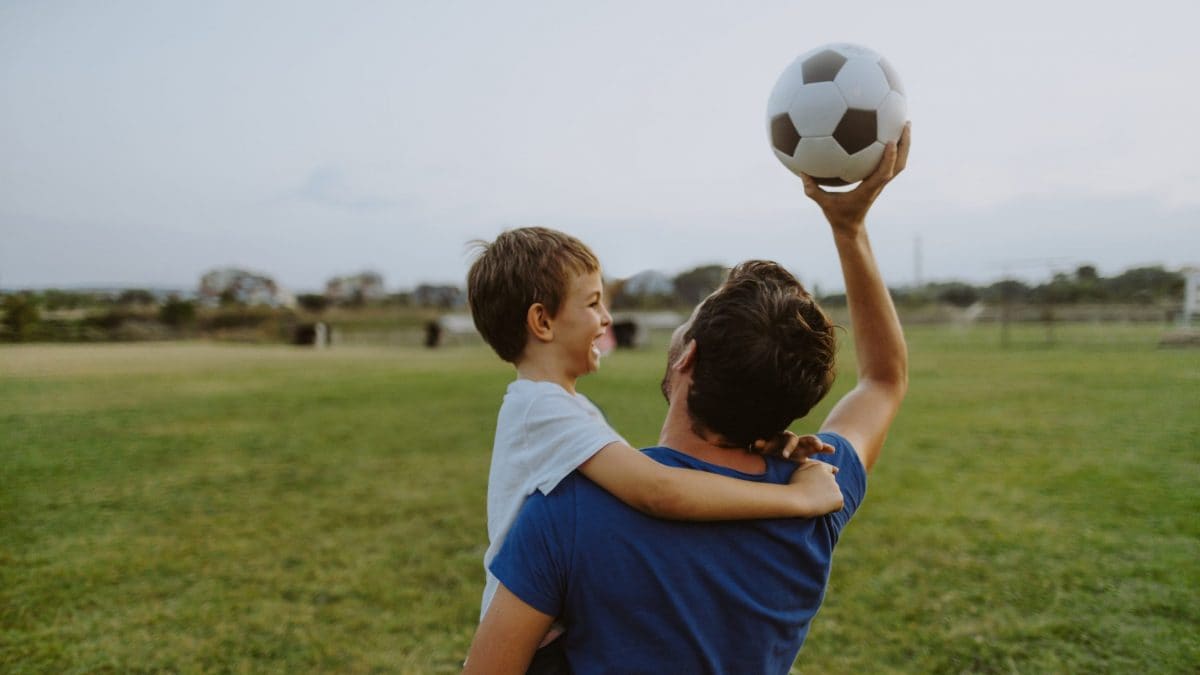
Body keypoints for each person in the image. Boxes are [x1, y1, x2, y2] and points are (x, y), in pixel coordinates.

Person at [463, 124, 912, 673]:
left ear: (686, 359)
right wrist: (850, 229)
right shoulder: (819, 484)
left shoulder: (565, 510)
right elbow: (884, 380)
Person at [465, 223, 848, 658]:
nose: (607, 318)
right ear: (542, 321)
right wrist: (796, 499)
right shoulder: (543, 410)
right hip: (539, 645)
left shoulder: (556, 407)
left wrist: (763, 442)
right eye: (592, 303)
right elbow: (660, 489)